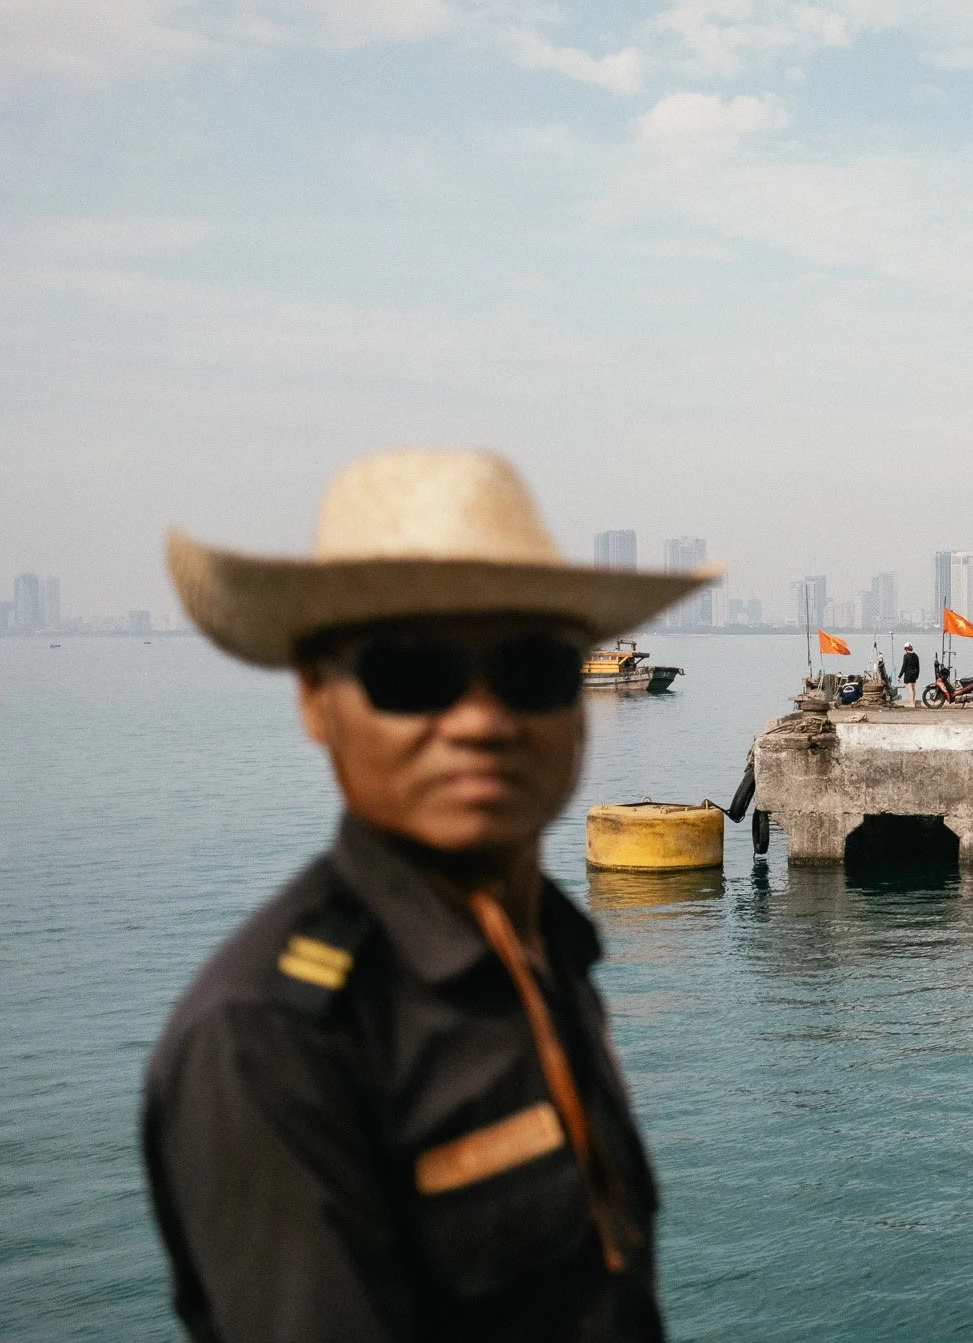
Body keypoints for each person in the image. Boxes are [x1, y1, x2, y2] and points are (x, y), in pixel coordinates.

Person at [141, 449, 718, 1342]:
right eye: (412, 675)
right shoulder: (274, 1036)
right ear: (315, 701)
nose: (483, 720)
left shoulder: (548, 951)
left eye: (533, 669)